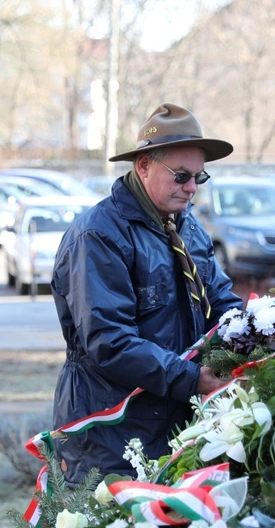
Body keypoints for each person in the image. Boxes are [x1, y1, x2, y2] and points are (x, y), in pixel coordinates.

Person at [50, 103, 242, 484]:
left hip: (179, 421)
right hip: (112, 434)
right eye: (181, 176)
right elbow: (110, 341)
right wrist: (192, 379)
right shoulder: (99, 235)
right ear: (142, 166)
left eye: (199, 177)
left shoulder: (188, 228)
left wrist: (256, 338)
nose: (191, 188)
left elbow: (220, 302)